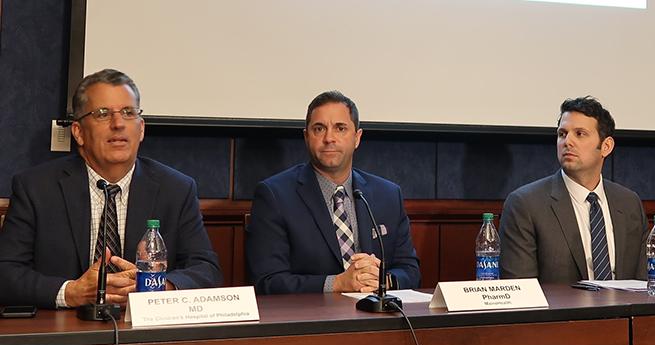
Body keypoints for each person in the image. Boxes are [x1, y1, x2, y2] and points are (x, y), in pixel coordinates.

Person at [0, 69, 222, 309]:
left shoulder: (176, 189)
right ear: (79, 132)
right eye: (103, 114)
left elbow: (206, 269)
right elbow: (6, 273)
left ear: (142, 129)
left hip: (145, 334)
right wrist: (71, 292)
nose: (118, 124)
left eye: (128, 113)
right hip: (62, 334)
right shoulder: (36, 188)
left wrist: (155, 287)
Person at [246, 91, 420, 294]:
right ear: (306, 137)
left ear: (357, 138)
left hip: (378, 319)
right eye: (319, 129)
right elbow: (268, 281)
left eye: (340, 128)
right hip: (313, 321)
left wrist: (382, 281)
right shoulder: (274, 195)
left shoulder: (388, 195)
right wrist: (337, 283)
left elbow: (410, 270)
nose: (329, 138)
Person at [500, 96, 648, 283]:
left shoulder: (629, 203)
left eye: (579, 134)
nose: (567, 142)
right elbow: (522, 292)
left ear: (606, 146)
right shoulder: (526, 205)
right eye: (562, 134)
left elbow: (645, 284)